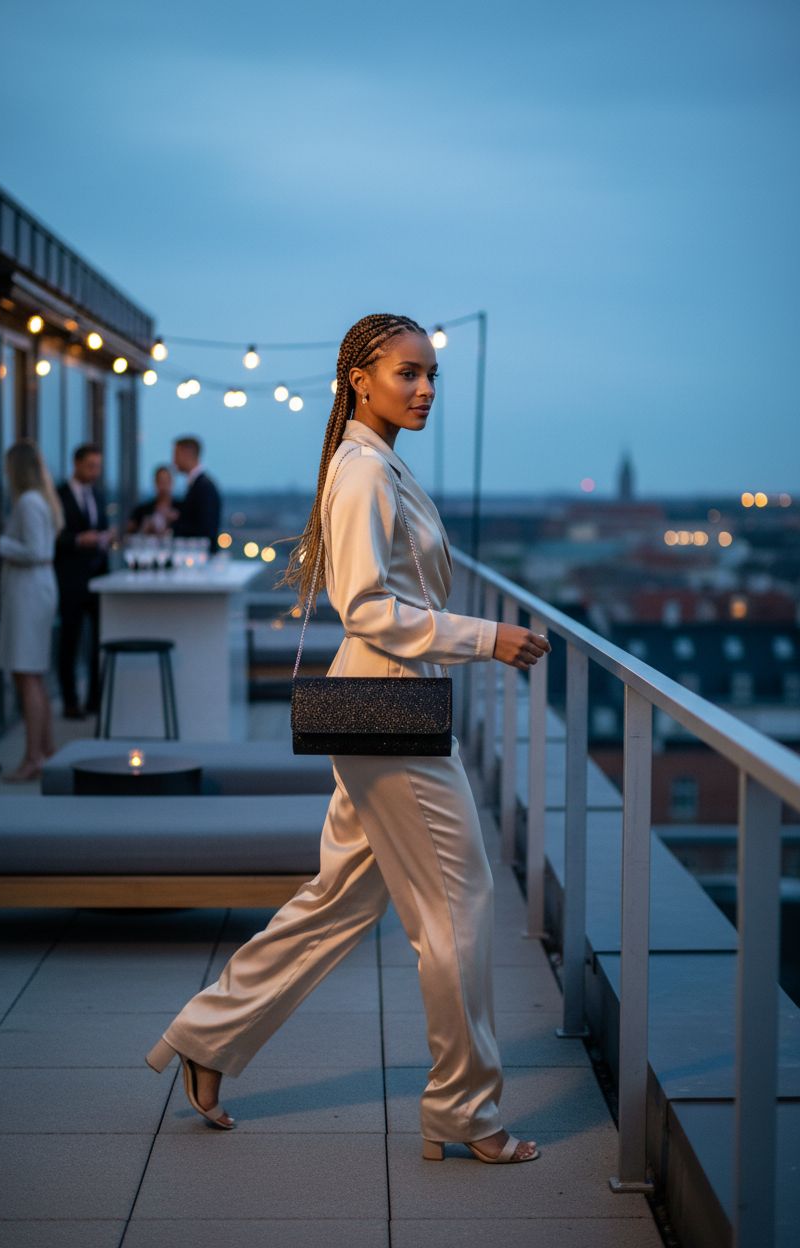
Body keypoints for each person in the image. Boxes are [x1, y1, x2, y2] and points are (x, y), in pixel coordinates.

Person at [145, 314, 551, 1164]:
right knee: (457, 909)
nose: (427, 388)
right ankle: (464, 1112)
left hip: (376, 706)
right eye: (408, 373)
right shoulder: (363, 469)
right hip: (391, 715)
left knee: (339, 901)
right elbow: (363, 605)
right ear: (360, 379)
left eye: (432, 374)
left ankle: (205, 1036)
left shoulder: (371, 461)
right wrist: (489, 637)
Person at [0, 439, 63, 782]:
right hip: (35, 592)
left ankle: (33, 758)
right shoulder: (41, 501)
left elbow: (36, 551)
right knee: (33, 675)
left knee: (27, 676)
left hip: (29, 594)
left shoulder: (28, 503)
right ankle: (46, 751)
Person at [55, 443, 114, 719]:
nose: (95, 471)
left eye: (98, 466)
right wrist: (80, 539)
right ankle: (69, 701)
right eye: (91, 465)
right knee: (70, 640)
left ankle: (94, 699)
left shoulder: (98, 495)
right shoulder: (59, 495)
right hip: (70, 578)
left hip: (97, 577)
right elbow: (54, 536)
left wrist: (105, 538)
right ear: (76, 464)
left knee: (98, 641)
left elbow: (100, 527)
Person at [171, 436, 221, 547]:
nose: (173, 461)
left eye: (176, 455)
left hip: (200, 556)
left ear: (187, 454)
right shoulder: (200, 484)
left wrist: (174, 526)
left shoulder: (203, 486)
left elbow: (205, 528)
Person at [126, 464, 180, 535]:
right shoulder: (142, 510)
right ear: (155, 483)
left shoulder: (181, 509)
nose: (163, 486)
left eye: (166, 481)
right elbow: (129, 528)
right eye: (160, 481)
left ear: (172, 483)